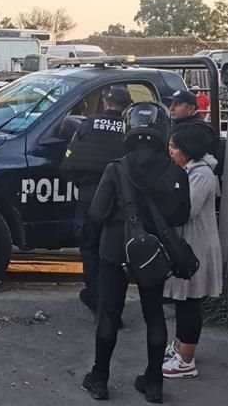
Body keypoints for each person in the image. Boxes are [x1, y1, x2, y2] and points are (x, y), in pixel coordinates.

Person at [82, 102, 191, 404]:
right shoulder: (175, 171)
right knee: (154, 314)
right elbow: (182, 214)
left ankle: (99, 378)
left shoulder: (116, 168)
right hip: (153, 252)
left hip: (114, 248)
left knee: (109, 312)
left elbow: (96, 212)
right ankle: (154, 382)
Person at [59, 85, 132, 315]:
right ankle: (113, 308)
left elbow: (69, 162)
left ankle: (95, 299)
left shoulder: (88, 125)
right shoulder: (131, 130)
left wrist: (81, 181)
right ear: (127, 106)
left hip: (90, 199)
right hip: (122, 204)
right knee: (115, 255)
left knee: (90, 251)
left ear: (105, 103)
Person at [162, 124, 223, 379]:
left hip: (195, 248)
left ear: (188, 151)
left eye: (174, 147)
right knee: (182, 300)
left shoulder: (201, 175)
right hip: (187, 246)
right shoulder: (187, 170)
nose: (170, 151)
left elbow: (184, 211)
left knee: (190, 302)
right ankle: (179, 347)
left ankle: (186, 360)